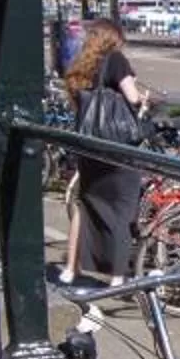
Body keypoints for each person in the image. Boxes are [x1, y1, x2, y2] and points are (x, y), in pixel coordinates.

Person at [60, 22, 153, 283]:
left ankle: (70, 268)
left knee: (86, 205)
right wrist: (144, 100)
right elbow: (132, 97)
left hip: (90, 149)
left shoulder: (84, 64)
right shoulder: (116, 60)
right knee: (121, 209)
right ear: (114, 39)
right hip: (116, 148)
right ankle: (116, 275)